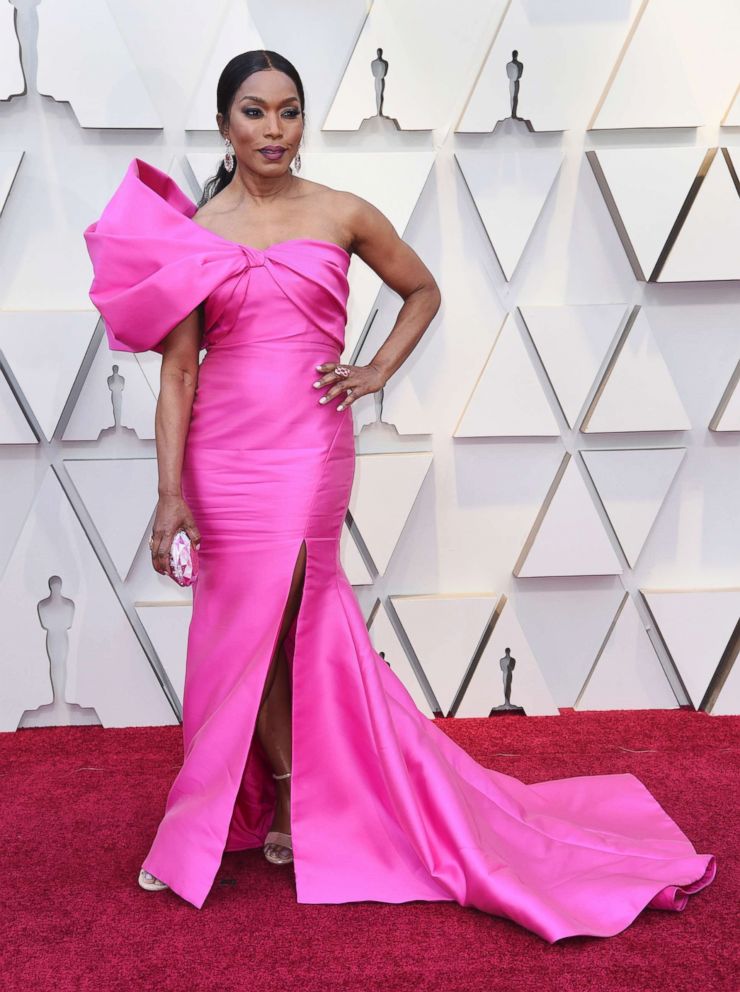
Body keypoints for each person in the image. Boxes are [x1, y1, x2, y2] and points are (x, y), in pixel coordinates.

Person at [83, 50, 715, 943]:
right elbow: (178, 373)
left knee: (295, 615)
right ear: (224, 125)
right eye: (255, 113)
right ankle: (246, 809)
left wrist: (375, 369)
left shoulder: (341, 212)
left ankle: (308, 800)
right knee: (237, 633)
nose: (274, 130)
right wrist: (165, 495)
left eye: (290, 111)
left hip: (308, 443)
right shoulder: (193, 230)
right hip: (221, 458)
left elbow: (422, 288)